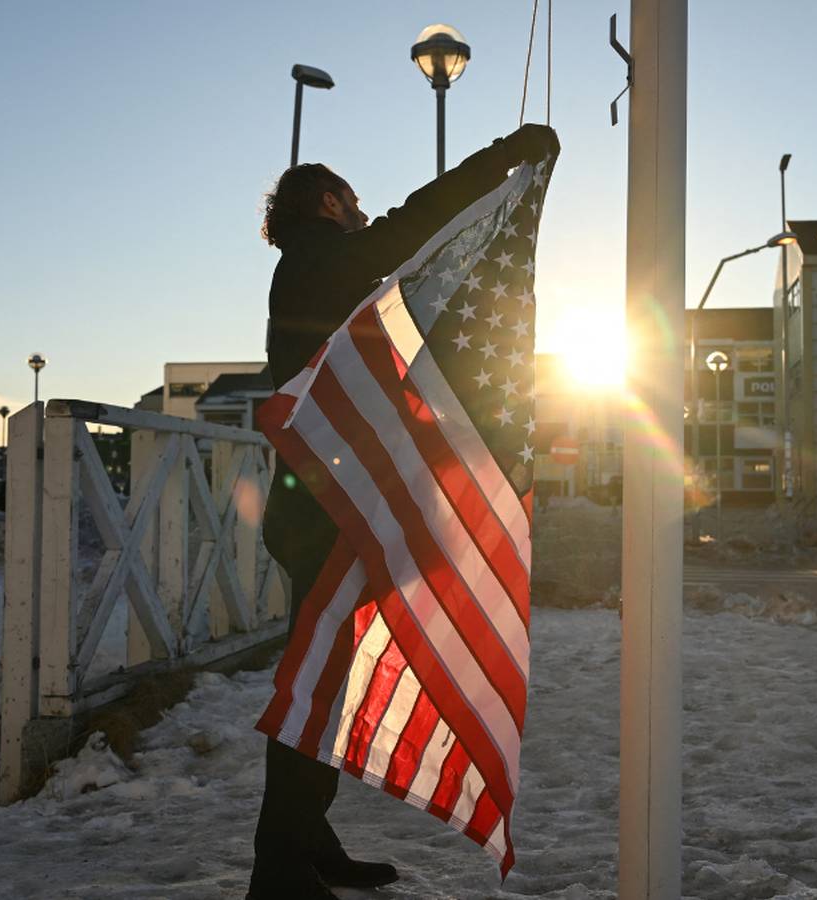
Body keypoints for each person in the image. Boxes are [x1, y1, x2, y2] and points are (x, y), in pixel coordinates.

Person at [249, 123, 559, 900]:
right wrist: (500, 159)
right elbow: (412, 226)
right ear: (328, 202)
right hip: (330, 513)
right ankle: (278, 870)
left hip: (326, 507)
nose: (363, 212)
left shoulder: (309, 271)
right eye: (353, 202)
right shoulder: (320, 260)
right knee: (317, 684)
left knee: (325, 681)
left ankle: (307, 843)